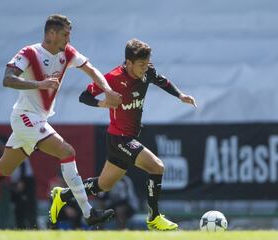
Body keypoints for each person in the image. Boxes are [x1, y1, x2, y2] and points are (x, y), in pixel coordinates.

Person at [0, 14, 121, 227]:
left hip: (36, 119)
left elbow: (91, 69)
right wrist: (39, 84)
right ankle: (88, 212)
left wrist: (107, 90)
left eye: (69, 34)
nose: (68, 39)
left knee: (3, 169)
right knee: (67, 152)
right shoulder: (30, 52)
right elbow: (7, 79)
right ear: (51, 34)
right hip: (25, 117)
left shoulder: (67, 53)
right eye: (65, 34)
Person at [50, 38, 197, 230]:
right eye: (141, 64)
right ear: (128, 63)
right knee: (157, 167)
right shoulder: (112, 78)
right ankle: (154, 217)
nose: (145, 68)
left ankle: (64, 195)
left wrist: (180, 95)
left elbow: (162, 81)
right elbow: (84, 96)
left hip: (126, 138)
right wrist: (102, 103)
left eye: (147, 63)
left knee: (103, 185)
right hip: (120, 139)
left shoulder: (147, 72)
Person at [10, 160, 37, 229]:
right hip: (17, 182)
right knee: (18, 207)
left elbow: (23, 163)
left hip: (25, 182)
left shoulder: (17, 150)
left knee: (27, 207)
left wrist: (21, 181)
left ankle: (32, 227)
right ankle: (20, 227)